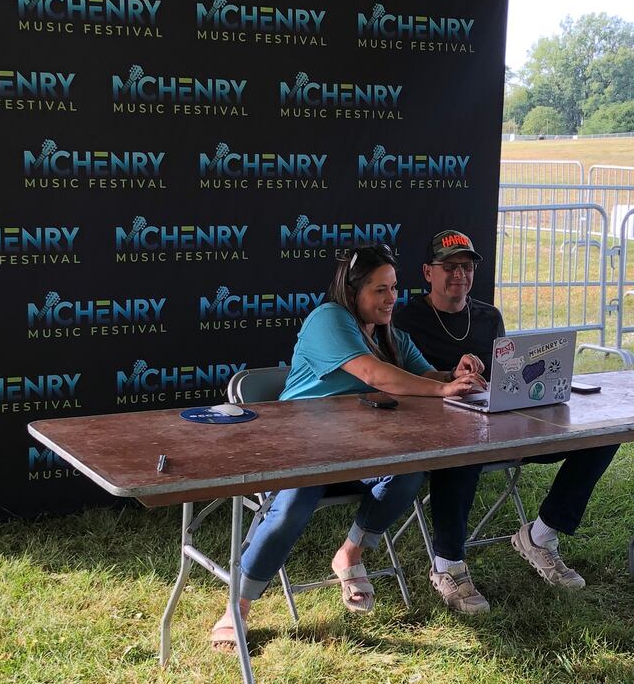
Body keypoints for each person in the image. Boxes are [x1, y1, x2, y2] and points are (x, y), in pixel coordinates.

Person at [211, 243, 486, 650]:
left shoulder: (391, 332)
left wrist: (456, 373)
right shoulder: (328, 319)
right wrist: (443, 387)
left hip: (361, 452)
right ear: (352, 290)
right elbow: (377, 375)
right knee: (291, 507)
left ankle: (350, 554)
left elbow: (424, 374)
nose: (391, 298)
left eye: (394, 288)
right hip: (301, 447)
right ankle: (237, 608)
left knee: (410, 470)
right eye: (380, 290)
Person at [394, 229, 620, 614]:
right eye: (449, 267)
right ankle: (448, 565)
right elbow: (399, 381)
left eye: (466, 267)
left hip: (498, 423)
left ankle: (541, 535)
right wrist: (451, 376)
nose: (459, 275)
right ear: (426, 272)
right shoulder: (404, 317)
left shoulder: (488, 316)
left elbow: (507, 377)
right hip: (438, 431)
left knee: (602, 436)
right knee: (463, 450)